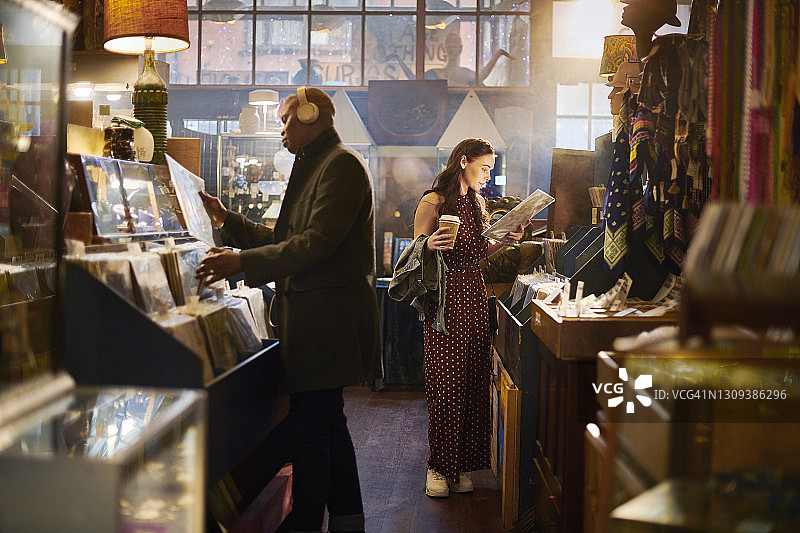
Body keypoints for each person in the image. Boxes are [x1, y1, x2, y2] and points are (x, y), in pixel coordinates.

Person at [195, 87, 379, 533]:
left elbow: (313, 246)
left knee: (311, 433)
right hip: (318, 322)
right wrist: (229, 222)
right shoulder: (321, 164)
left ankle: (304, 523)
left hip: (326, 325)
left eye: (285, 120)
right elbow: (288, 239)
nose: (281, 130)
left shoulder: (339, 166)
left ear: (310, 115)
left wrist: (242, 262)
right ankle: (348, 520)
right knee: (327, 426)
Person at [412, 138, 524, 497]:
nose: (488, 175)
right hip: (444, 298)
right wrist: (428, 245)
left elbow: (480, 252)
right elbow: (414, 252)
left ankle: (458, 466)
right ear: (463, 162)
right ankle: (437, 466)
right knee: (445, 383)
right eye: (484, 167)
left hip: (475, 295)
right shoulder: (434, 201)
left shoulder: (477, 202)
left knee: (474, 380)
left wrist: (508, 238)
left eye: (492, 168)